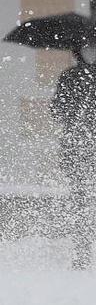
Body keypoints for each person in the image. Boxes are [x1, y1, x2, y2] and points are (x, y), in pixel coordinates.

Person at [52, 45, 96, 269]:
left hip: (76, 150)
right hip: (83, 148)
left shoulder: (69, 77)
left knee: (81, 201)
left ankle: (82, 252)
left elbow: (56, 111)